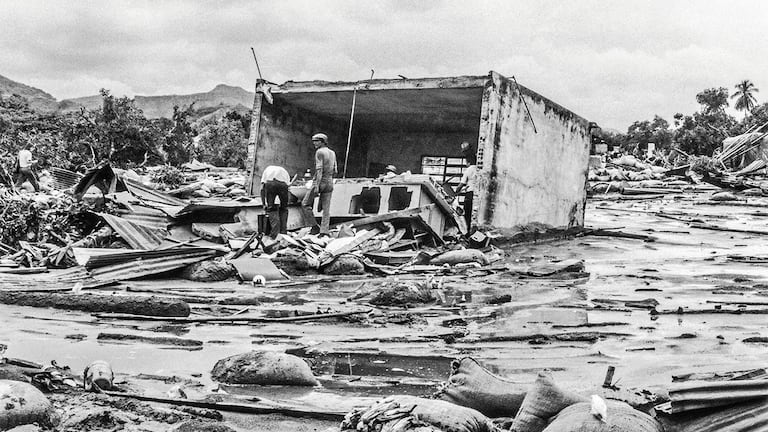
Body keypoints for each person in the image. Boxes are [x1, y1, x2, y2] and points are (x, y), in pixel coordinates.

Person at [301, 133, 337, 235]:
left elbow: (319, 169)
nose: (314, 143)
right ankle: (324, 231)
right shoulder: (332, 153)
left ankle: (314, 226)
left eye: (316, 141)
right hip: (329, 182)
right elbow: (335, 170)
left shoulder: (319, 152)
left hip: (320, 181)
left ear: (322, 141)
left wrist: (317, 185)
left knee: (305, 204)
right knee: (326, 210)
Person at [260, 165, 291, 238]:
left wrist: (264, 204)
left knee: (272, 209)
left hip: (271, 183)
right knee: (284, 209)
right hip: (283, 184)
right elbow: (288, 188)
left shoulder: (267, 170)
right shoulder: (284, 171)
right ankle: (283, 233)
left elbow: (262, 189)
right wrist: (285, 203)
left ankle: (275, 234)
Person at [454, 163, 478, 231]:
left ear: (469, 162)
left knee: (466, 214)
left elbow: (461, 184)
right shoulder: (478, 169)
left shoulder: (468, 170)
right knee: (473, 215)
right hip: (477, 194)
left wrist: (456, 192)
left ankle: (466, 232)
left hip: (469, 194)